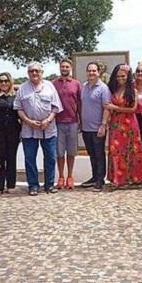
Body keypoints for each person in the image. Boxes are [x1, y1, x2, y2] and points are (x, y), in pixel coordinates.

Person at [14, 62, 63, 196]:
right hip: (29, 129)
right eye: (31, 71)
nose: (34, 73)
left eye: (37, 71)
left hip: (48, 128)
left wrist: (48, 120)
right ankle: (33, 185)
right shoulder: (22, 88)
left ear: (42, 72)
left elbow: (56, 107)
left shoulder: (50, 86)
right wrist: (28, 121)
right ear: (28, 73)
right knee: (30, 158)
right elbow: (18, 109)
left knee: (50, 157)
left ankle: (49, 185)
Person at [105, 64, 142, 188]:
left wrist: (115, 107)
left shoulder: (132, 91)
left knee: (131, 150)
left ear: (128, 76)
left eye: (123, 76)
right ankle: (118, 178)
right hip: (116, 124)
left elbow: (133, 109)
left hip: (129, 124)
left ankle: (134, 178)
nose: (120, 78)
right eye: (118, 76)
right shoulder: (113, 90)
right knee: (116, 150)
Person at [79, 61, 111, 192]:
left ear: (99, 73)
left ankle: (100, 179)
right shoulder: (84, 86)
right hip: (86, 128)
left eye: (94, 71)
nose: (91, 73)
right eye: (89, 70)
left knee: (99, 154)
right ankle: (94, 177)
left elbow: (107, 108)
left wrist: (103, 125)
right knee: (91, 154)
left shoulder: (103, 88)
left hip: (98, 128)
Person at [52, 58, 82, 189]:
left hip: (73, 122)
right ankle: (61, 176)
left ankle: (70, 176)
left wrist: (81, 119)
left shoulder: (76, 84)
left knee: (71, 151)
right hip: (57, 122)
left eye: (66, 67)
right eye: (62, 67)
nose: (64, 69)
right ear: (59, 68)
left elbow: (80, 103)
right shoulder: (53, 84)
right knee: (59, 152)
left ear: (70, 68)